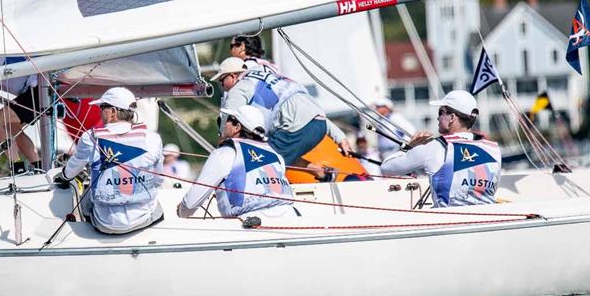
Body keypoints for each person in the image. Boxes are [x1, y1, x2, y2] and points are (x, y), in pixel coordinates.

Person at [212, 57, 351, 175]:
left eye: (221, 80)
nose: (222, 86)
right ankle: (320, 172)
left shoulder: (240, 86)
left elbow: (227, 121)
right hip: (320, 125)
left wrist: (221, 155)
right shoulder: (270, 77)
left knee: (259, 165)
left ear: (232, 76)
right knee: (275, 150)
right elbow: (310, 112)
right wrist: (340, 137)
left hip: (296, 129)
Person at [55, 87, 164, 234]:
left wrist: (63, 176)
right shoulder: (153, 138)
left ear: (113, 111)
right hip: (142, 219)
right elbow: (158, 181)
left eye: (102, 107)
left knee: (88, 192)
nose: (100, 111)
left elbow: (70, 172)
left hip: (105, 224)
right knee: (157, 201)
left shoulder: (90, 137)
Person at [379, 90, 502, 207]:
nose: (438, 118)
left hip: (449, 222)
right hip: (487, 219)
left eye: (440, 112)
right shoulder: (493, 149)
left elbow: (386, 168)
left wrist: (409, 147)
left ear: (452, 117)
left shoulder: (432, 147)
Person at [177, 104, 297, 219]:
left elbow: (190, 205)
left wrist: (181, 211)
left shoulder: (225, 153)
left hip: (251, 222)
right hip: (291, 217)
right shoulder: (276, 155)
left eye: (226, 121)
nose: (223, 125)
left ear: (237, 127)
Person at [0, 74, 42, 174]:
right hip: (35, 89)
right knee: (12, 126)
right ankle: (37, 166)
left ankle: (18, 168)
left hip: (38, 88)